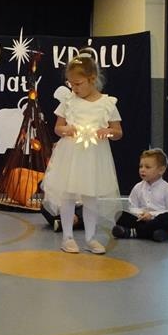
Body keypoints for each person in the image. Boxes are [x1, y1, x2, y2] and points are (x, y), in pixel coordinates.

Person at [43, 53, 122, 254]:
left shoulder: (107, 103)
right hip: (71, 154)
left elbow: (118, 132)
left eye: (78, 84)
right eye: (71, 84)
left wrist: (107, 132)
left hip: (94, 156)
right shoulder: (69, 101)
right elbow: (57, 128)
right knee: (68, 195)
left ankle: (90, 238)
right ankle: (67, 237)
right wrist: (66, 129)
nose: (74, 88)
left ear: (92, 79)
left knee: (90, 197)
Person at [112, 148, 168, 242]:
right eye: (141, 166)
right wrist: (141, 213)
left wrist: (152, 215)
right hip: (142, 220)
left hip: (158, 221)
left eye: (147, 167)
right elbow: (132, 207)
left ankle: (134, 232)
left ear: (161, 170)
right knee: (120, 215)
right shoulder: (137, 187)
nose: (142, 170)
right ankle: (154, 234)